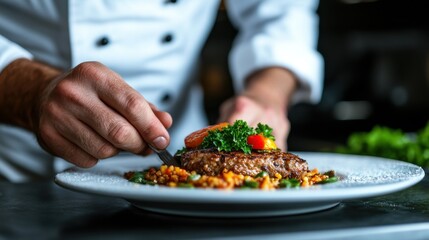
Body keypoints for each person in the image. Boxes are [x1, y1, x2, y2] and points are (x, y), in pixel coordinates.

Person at [0, 0, 323, 182]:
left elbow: (281, 13)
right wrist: (32, 92)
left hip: (180, 175)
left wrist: (267, 95)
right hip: (18, 172)